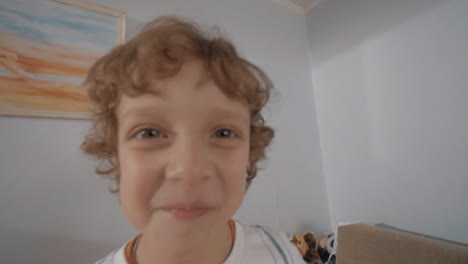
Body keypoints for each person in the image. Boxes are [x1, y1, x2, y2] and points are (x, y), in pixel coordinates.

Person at [82, 16, 305, 264]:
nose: (189, 169)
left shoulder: (282, 252)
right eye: (149, 133)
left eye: (223, 133)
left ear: (250, 153)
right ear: (116, 155)